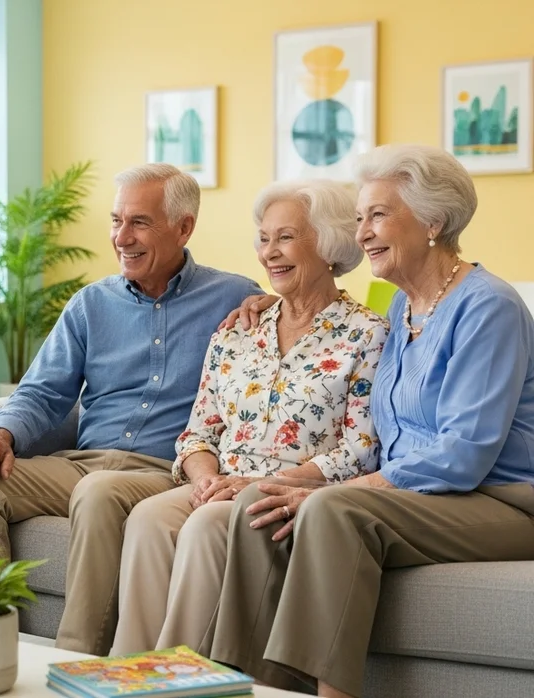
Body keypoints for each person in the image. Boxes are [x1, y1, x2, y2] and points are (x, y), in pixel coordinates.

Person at [209, 144, 534, 698]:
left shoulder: (488, 307)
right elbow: (326, 324)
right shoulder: (401, 307)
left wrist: (348, 488)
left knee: (334, 508)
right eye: (360, 218)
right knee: (258, 503)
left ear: (432, 220)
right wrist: (267, 301)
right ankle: (243, 686)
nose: (361, 234)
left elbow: (464, 454)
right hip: (419, 497)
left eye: (378, 215)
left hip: (495, 499)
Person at [0, 163, 262, 655]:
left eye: (139, 222)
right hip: (84, 463)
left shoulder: (236, 297)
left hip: (168, 470)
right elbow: (43, 391)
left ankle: (77, 661)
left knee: (98, 492)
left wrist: (271, 311)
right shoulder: (91, 304)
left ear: (184, 227)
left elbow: (293, 342)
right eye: (116, 221)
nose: (121, 237)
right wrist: (0, 436)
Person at [110, 180, 388, 656]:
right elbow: (198, 432)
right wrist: (205, 479)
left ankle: (178, 678)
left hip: (293, 493)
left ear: (328, 244)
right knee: (150, 516)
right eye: (263, 238)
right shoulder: (237, 331)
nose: (269, 253)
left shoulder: (367, 333)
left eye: (285, 238)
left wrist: (261, 483)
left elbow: (362, 448)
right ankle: (128, 669)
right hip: (221, 485)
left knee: (203, 526)